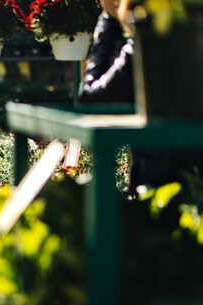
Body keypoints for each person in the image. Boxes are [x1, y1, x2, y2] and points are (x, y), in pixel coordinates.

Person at [80, 0, 202, 191]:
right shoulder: (192, 30)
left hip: (162, 185)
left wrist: (108, 19)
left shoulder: (150, 39)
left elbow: (92, 98)